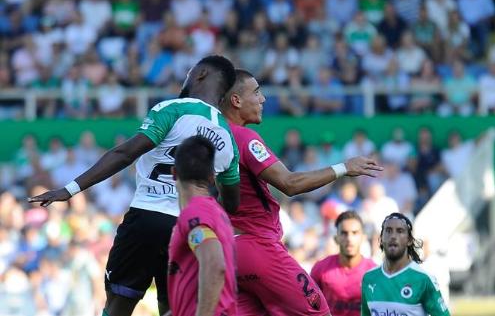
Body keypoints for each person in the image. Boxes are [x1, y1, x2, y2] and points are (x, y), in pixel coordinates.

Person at [29, 55, 241, 316]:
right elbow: (231, 202)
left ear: (201, 75)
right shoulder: (229, 138)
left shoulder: (172, 109)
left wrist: (70, 189)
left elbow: (125, 154)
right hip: (188, 225)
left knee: (117, 306)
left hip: (146, 217)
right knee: (172, 308)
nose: (186, 77)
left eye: (189, 73)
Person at [220, 69, 382, 316]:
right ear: (236, 100)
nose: (262, 99)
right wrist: (344, 167)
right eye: (256, 92)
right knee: (318, 312)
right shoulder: (244, 138)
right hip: (259, 247)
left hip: (231, 250)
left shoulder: (214, 136)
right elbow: (290, 183)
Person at [168, 135, 237, 316]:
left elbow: (215, 265)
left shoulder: (195, 213)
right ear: (211, 177)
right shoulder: (217, 213)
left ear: (174, 173)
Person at [361, 213, 450, 316]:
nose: (393, 236)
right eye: (388, 231)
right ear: (381, 239)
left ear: (409, 240)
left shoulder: (423, 279)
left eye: (400, 231)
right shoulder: (369, 278)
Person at [310, 211, 376, 316]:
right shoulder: (321, 268)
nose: (349, 239)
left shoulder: (374, 272)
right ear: (336, 239)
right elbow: (309, 306)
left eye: (355, 233)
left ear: (363, 238)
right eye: (344, 233)